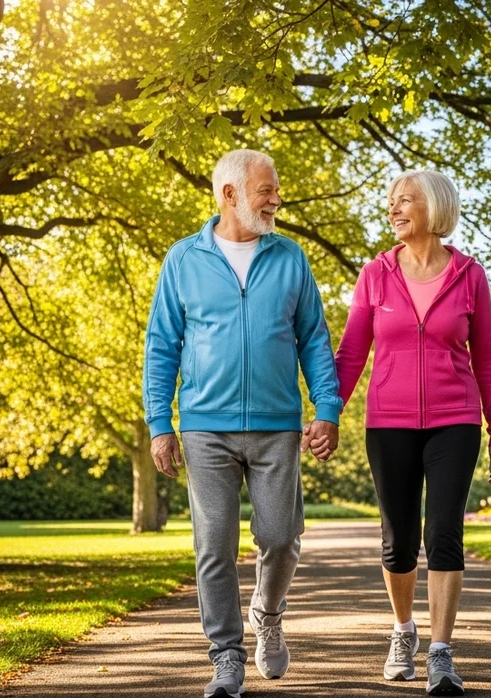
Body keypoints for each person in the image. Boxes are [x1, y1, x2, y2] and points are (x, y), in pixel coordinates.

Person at [143, 148, 342, 698]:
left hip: (278, 425)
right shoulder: (184, 259)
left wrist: (326, 409)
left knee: (280, 537)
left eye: (275, 189)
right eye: (266, 190)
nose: (277, 199)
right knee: (214, 546)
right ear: (230, 194)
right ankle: (226, 656)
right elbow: (161, 345)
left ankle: (268, 614)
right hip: (205, 425)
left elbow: (315, 340)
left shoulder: (290, 257)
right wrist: (159, 423)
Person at [317, 169, 491, 696]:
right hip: (389, 422)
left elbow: (487, 358)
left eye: (406, 200)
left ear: (434, 208)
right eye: (392, 201)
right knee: (398, 539)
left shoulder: (470, 275)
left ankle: (441, 653)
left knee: (443, 533)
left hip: (455, 421)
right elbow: (351, 354)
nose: (394, 208)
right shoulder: (375, 274)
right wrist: (327, 413)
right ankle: (403, 631)